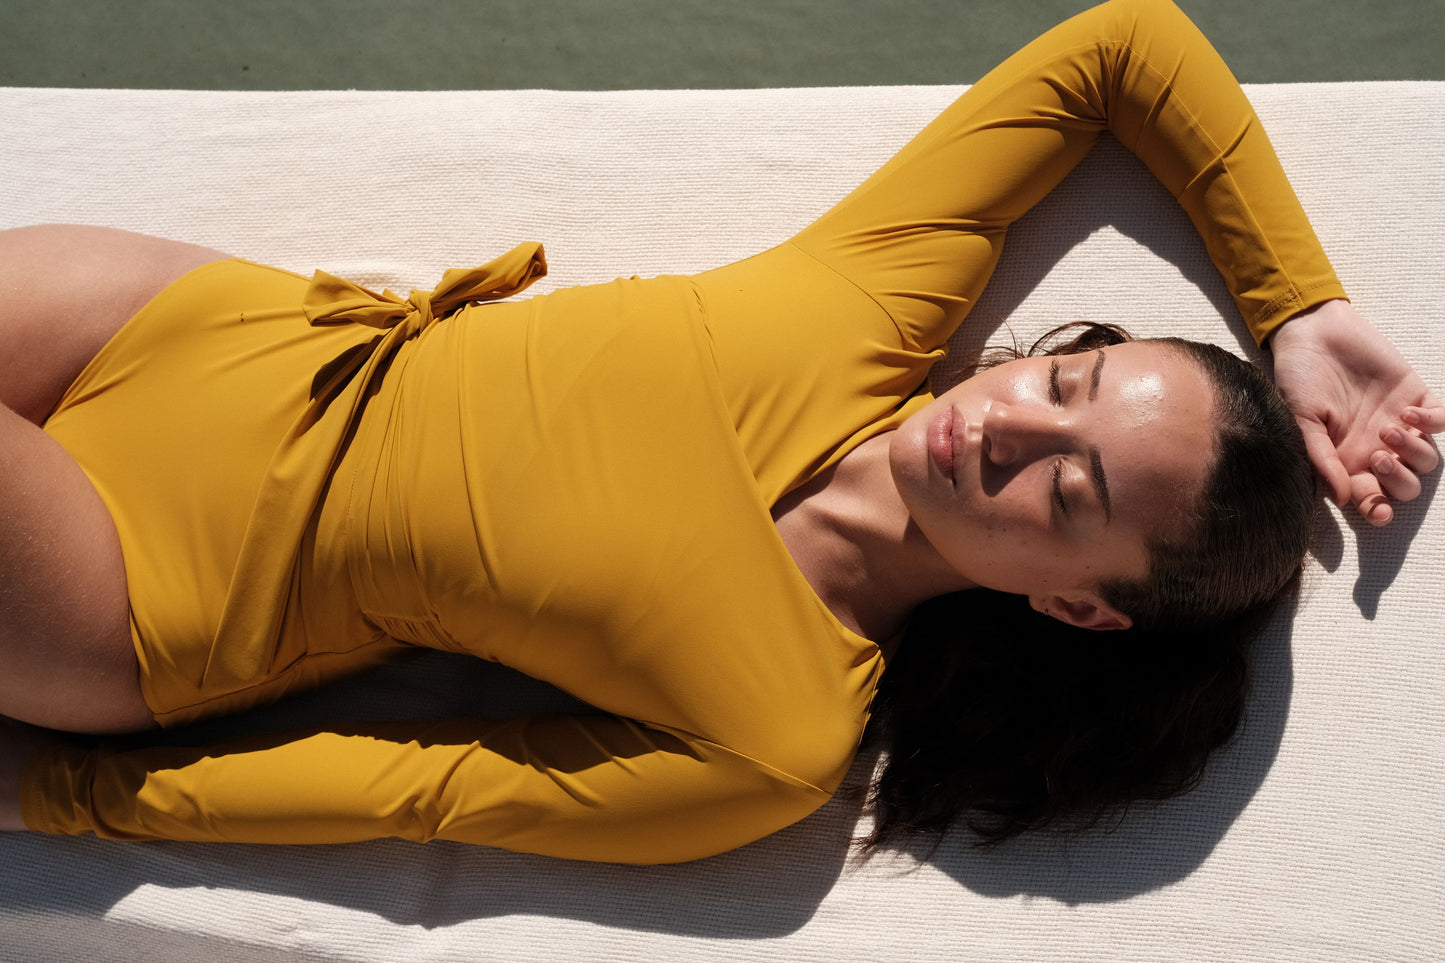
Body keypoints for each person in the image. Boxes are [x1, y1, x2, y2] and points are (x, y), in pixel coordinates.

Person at [0, 0, 1439, 862]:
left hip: (142, 589)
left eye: (1069, 497)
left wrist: (60, 799)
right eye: (1064, 386)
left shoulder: (776, 733)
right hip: (208, 328)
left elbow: (426, 791)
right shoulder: (870, 303)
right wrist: (1298, 310)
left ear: (1074, 605)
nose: (1007, 429)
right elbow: (1123, 47)